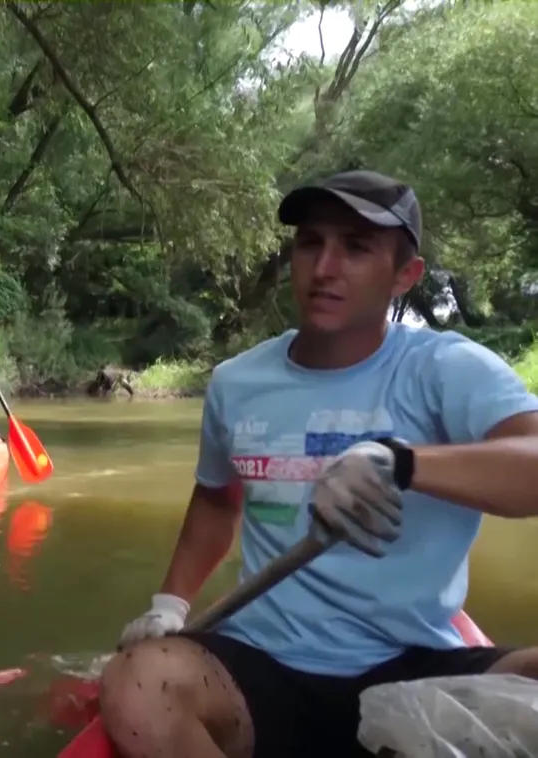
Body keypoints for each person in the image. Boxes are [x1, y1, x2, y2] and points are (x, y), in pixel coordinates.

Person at [97, 170, 538, 758]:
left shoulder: (446, 368)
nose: (325, 267)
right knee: (138, 682)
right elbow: (215, 498)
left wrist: (399, 463)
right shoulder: (236, 382)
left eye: (356, 247)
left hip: (418, 663)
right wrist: (170, 604)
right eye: (311, 243)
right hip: (264, 664)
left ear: (405, 276)